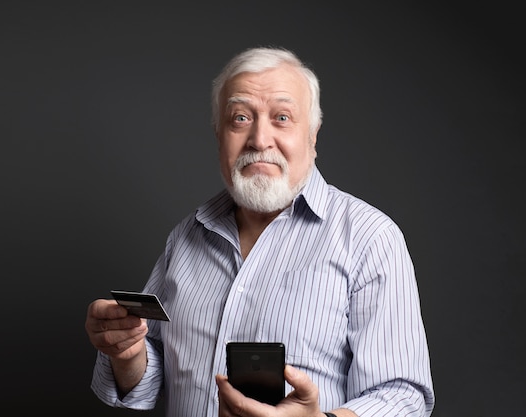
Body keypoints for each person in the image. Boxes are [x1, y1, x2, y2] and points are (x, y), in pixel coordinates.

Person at [85, 46, 435, 417]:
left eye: (282, 117)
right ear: (219, 135)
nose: (259, 139)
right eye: (240, 118)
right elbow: (153, 376)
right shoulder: (184, 238)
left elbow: (403, 395)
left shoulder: (370, 238)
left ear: (313, 136)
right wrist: (127, 352)